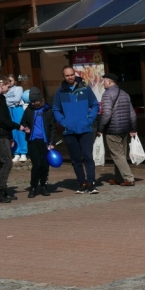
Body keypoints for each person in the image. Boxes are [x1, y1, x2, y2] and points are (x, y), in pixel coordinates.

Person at [52, 66, 99, 195]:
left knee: (88, 156)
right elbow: (55, 109)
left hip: (85, 129)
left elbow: (95, 104)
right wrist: (63, 122)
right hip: (69, 131)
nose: (70, 77)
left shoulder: (85, 88)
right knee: (76, 159)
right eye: (67, 75)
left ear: (75, 74)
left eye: (72, 75)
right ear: (64, 76)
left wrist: (90, 119)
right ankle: (82, 182)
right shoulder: (60, 92)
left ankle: (91, 183)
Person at [0, 77, 28, 203]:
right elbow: (1, 119)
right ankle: (0, 192)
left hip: (4, 134)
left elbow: (5, 117)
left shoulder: (1, 98)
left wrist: (10, 136)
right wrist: (18, 126)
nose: (9, 89)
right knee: (7, 161)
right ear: (1, 85)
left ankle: (2, 190)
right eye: (8, 86)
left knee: (4, 162)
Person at [99, 73, 138, 187]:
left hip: (112, 130)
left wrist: (100, 129)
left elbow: (106, 114)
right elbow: (132, 114)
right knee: (120, 155)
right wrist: (133, 128)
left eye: (105, 81)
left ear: (110, 82)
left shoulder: (107, 95)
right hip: (124, 130)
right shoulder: (125, 94)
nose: (103, 83)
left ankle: (129, 178)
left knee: (117, 155)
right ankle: (119, 178)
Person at [19, 87, 55, 198]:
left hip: (44, 141)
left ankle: (44, 186)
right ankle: (33, 187)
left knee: (44, 165)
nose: (33, 103)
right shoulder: (29, 110)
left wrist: (51, 141)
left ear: (40, 99)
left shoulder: (47, 110)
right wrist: (26, 128)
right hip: (32, 141)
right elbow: (23, 122)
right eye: (32, 101)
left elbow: (52, 127)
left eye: (35, 101)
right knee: (36, 165)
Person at [5, 76, 28, 163]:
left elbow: (17, 99)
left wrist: (9, 101)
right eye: (8, 80)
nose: (9, 82)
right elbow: (4, 100)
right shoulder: (5, 90)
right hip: (9, 110)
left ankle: (23, 153)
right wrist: (12, 101)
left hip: (17, 109)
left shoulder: (18, 88)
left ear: (14, 81)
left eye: (11, 80)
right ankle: (16, 153)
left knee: (21, 130)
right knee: (12, 131)